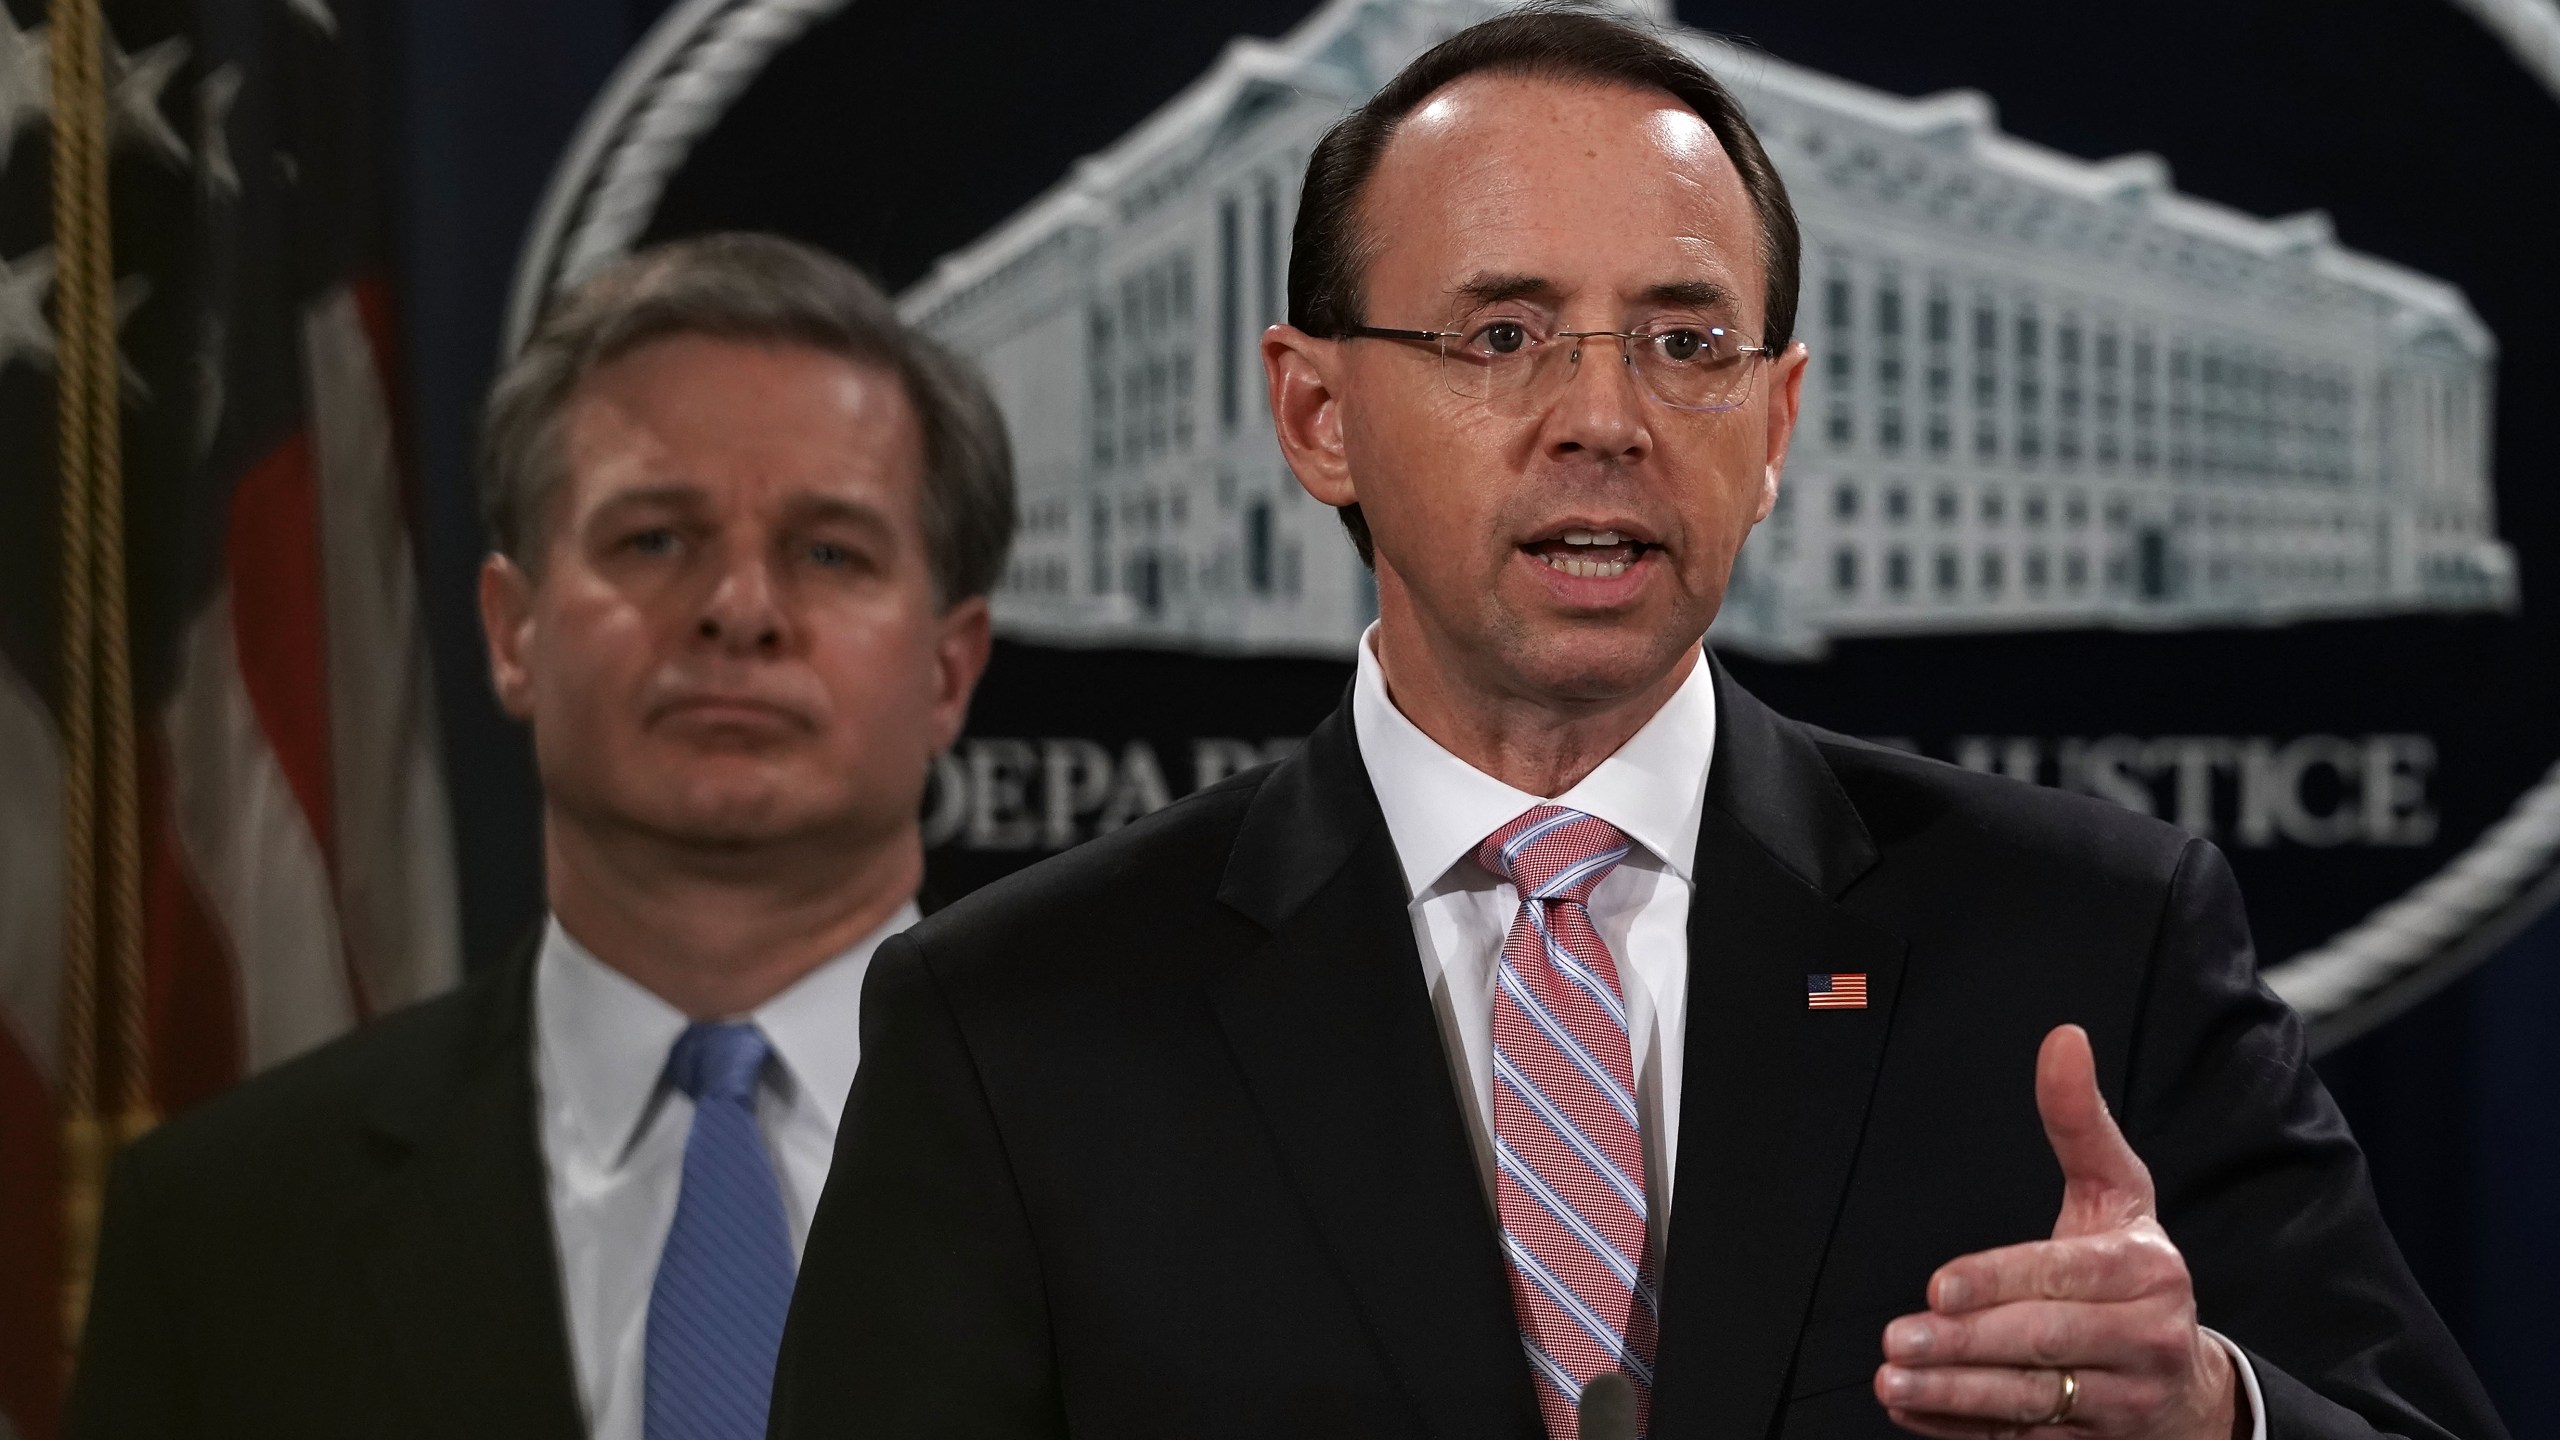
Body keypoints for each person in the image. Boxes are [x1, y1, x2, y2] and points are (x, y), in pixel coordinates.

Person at [769, 12, 2505, 1440]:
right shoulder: (1015, 1029)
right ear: (1317, 415)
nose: (1601, 418)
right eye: (1503, 334)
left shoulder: (2091, 940)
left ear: (1775, 423)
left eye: (1685, 342)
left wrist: (2213, 1410)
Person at [68, 233, 1014, 1440]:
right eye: (653, 540)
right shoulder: (221, 1222)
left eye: (829, 552)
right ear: (514, 633)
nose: (737, 610)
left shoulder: (1169, 1181)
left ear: (949, 668)